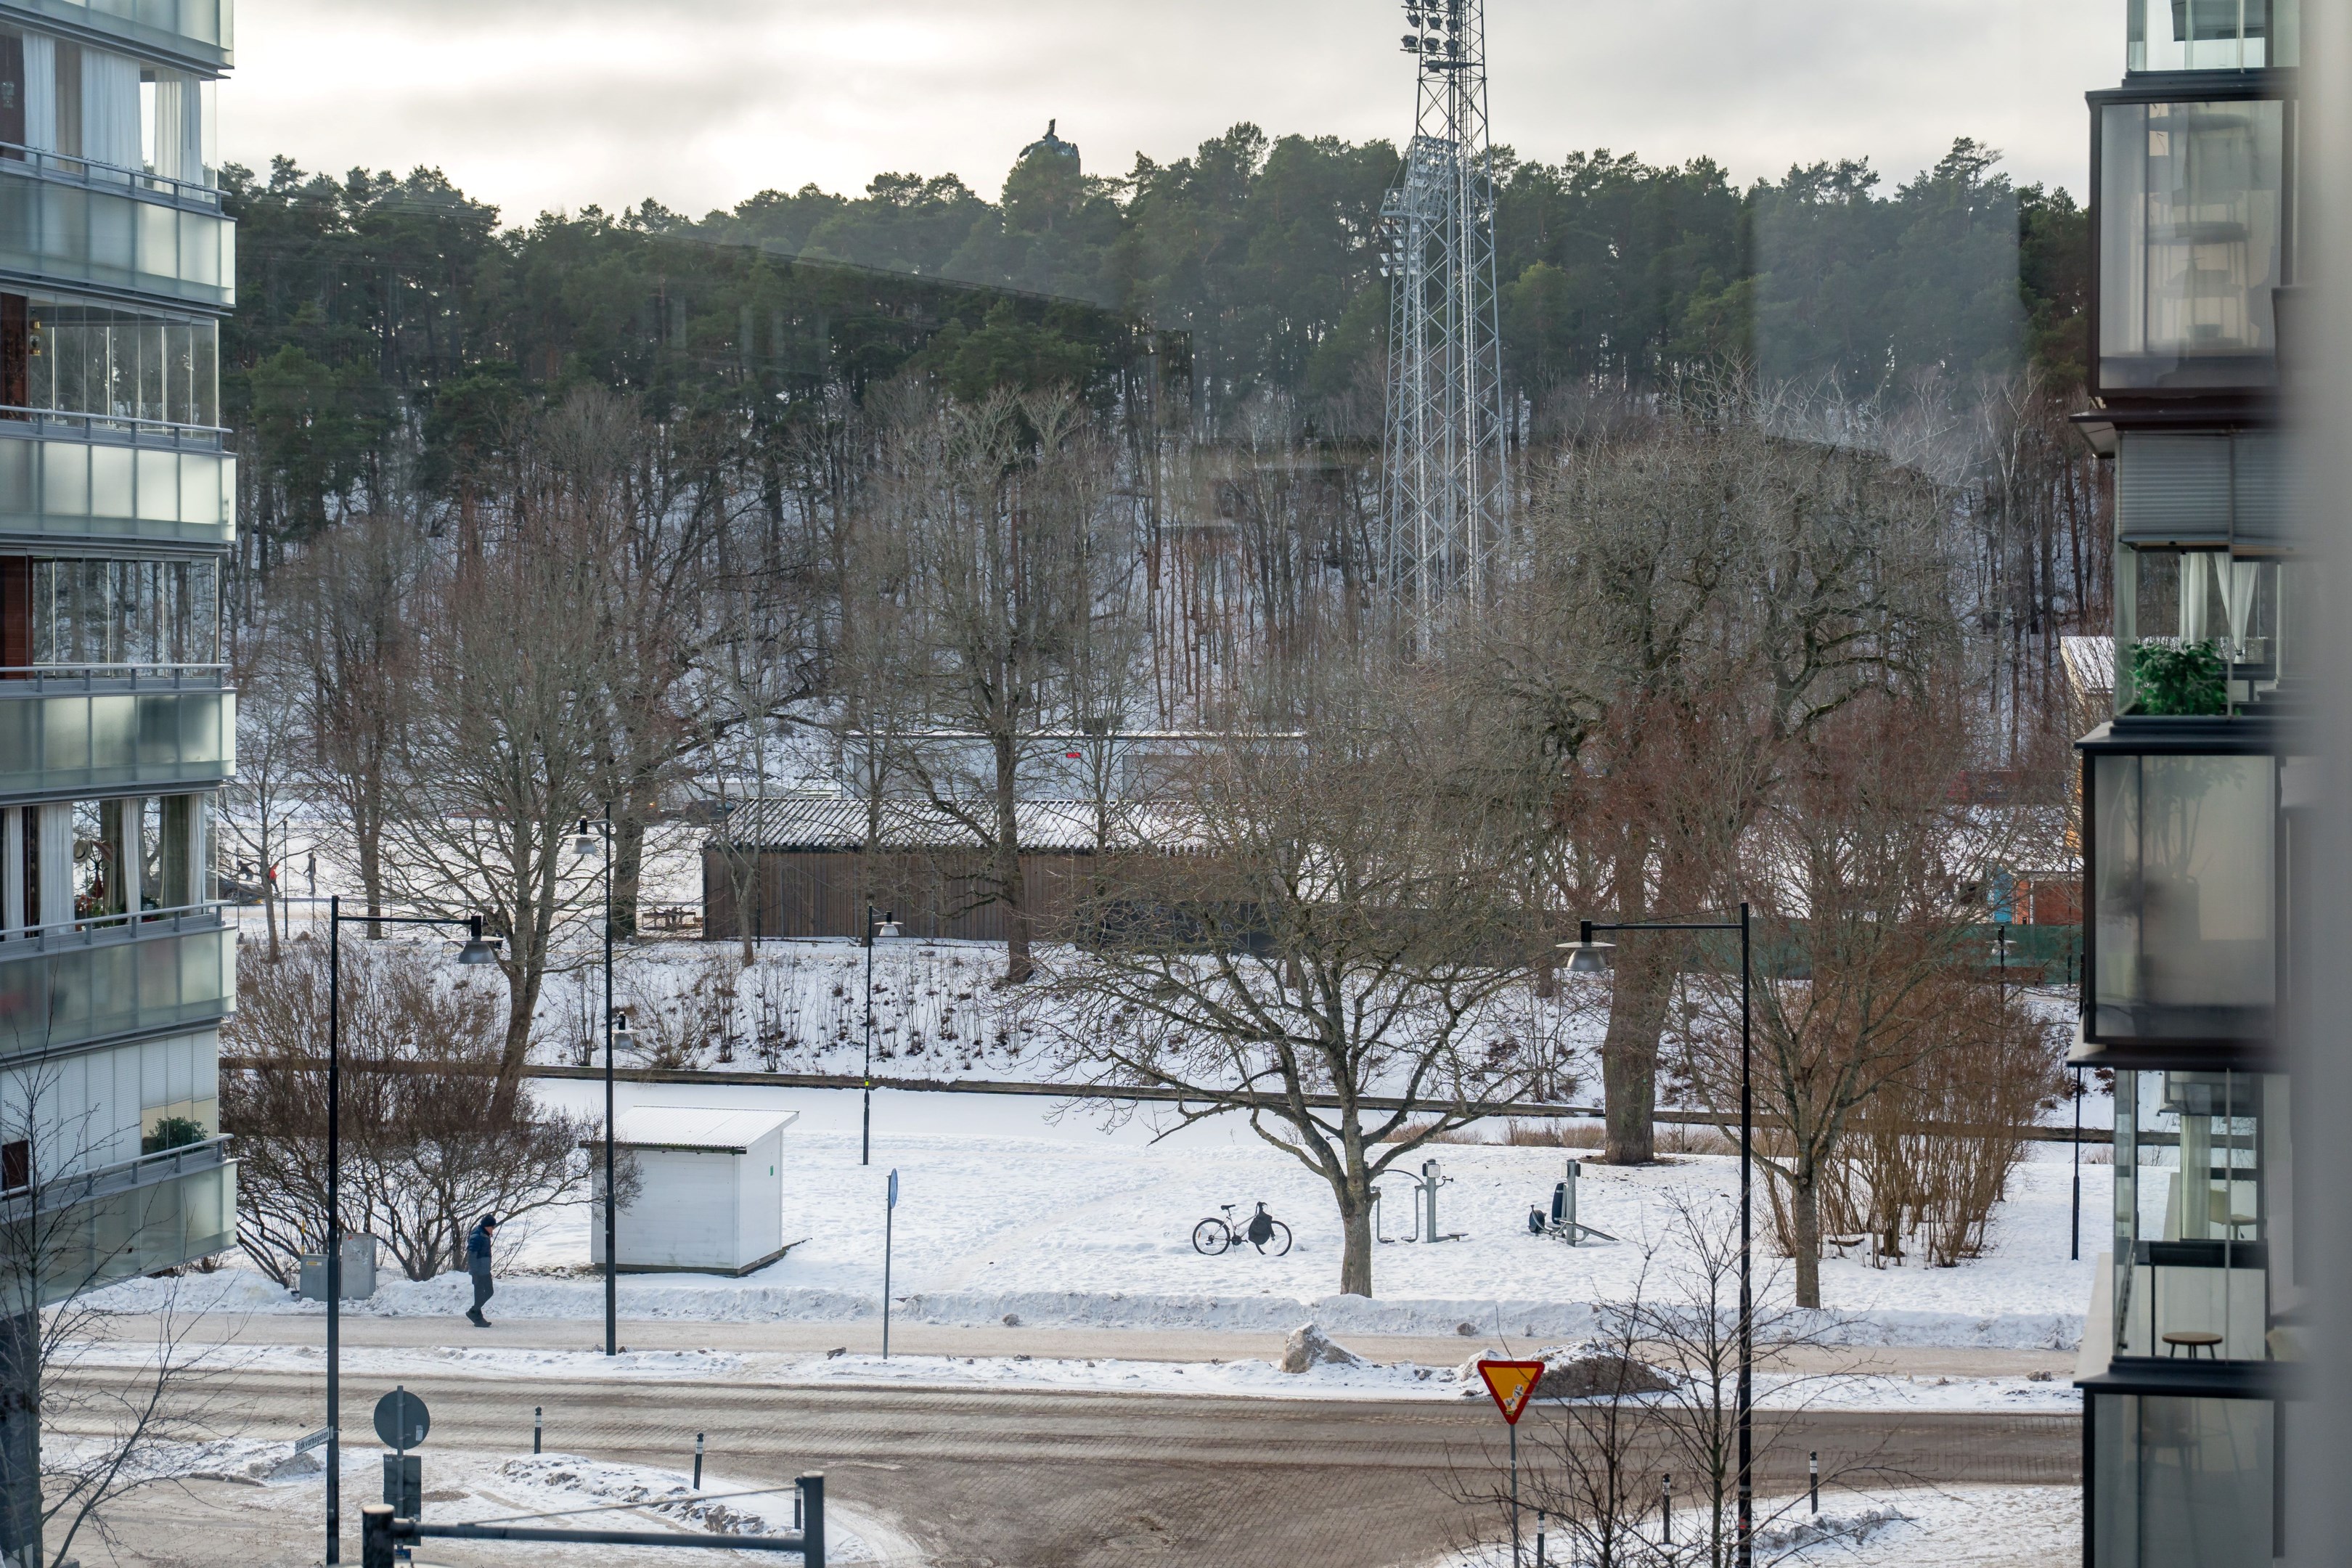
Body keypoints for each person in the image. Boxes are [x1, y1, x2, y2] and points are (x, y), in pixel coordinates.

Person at [464, 1214, 498, 1327]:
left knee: (489, 1292)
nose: (493, 1229)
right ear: (487, 1226)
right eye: (492, 1227)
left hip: (484, 1270)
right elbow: (471, 1255)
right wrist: (474, 1272)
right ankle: (476, 1315)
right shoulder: (477, 1236)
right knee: (480, 1294)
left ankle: (474, 1312)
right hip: (478, 1271)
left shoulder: (484, 1235)